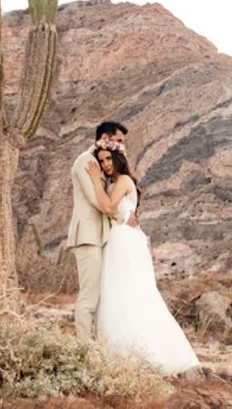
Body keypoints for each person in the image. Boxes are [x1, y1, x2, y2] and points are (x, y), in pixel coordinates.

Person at [87, 145, 200, 375]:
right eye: (101, 161)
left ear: (118, 157)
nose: (106, 164)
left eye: (109, 158)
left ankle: (139, 351)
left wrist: (95, 181)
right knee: (123, 292)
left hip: (124, 242)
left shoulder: (124, 181)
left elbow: (108, 207)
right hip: (123, 238)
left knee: (128, 291)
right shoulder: (118, 183)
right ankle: (123, 349)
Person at [67, 121, 128, 339]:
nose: (122, 146)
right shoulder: (86, 162)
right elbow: (99, 202)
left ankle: (96, 345)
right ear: (105, 137)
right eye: (119, 141)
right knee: (89, 297)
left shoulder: (101, 164)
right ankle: (85, 348)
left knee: (101, 296)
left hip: (100, 236)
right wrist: (123, 216)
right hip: (87, 236)